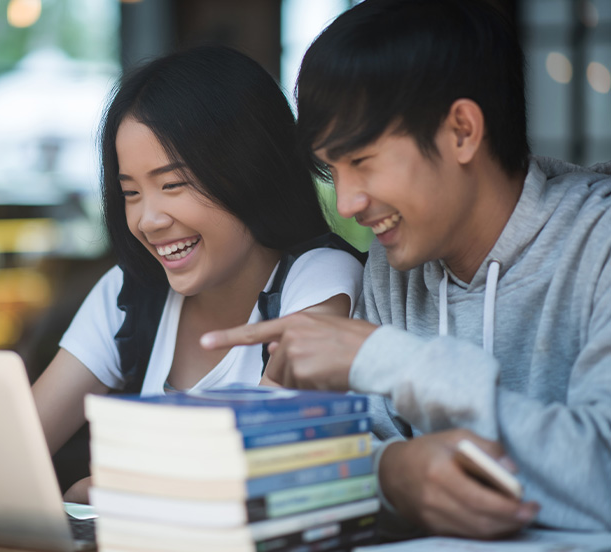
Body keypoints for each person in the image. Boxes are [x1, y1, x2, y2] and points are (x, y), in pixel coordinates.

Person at [201, 0, 611, 539]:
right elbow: (347, 459)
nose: (346, 203)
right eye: (332, 170)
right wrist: (395, 475)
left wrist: (385, 358)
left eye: (362, 161)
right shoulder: (394, 266)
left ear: (462, 130)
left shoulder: (598, 242)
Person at [31, 45, 364, 504]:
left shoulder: (319, 278)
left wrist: (122, 487)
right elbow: (18, 448)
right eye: (130, 192)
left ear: (250, 171)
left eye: (172, 184)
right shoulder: (128, 292)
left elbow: (265, 461)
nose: (148, 220)